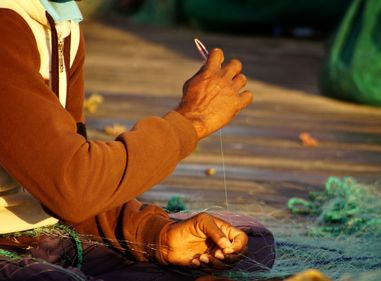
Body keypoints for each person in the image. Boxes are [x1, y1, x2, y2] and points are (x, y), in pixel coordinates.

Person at [0, 0, 274, 280]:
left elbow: (70, 179)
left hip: (46, 237)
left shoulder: (61, 20)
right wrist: (191, 122)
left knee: (253, 240)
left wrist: (156, 235)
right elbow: (73, 186)